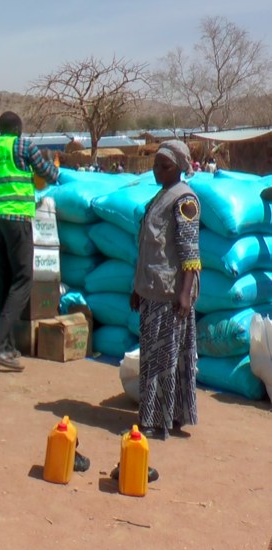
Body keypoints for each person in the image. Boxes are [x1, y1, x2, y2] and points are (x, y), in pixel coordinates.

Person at [0, 111, 59, 369]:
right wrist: (51, 169)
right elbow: (49, 174)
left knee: (5, 280)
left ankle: (7, 345)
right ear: (18, 129)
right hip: (17, 217)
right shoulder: (24, 145)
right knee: (23, 280)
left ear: (0, 129)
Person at [130, 140, 200, 440]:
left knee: (167, 359)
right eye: (156, 164)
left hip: (171, 294)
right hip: (152, 290)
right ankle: (155, 417)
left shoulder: (184, 201)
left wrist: (185, 294)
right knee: (152, 359)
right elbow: (148, 248)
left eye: (165, 166)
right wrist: (137, 288)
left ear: (180, 168)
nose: (157, 170)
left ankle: (163, 420)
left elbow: (190, 253)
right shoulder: (160, 197)